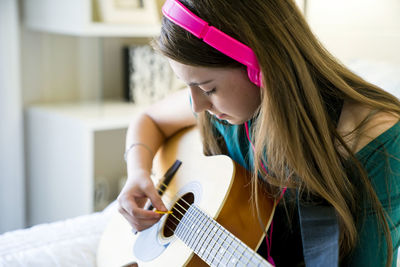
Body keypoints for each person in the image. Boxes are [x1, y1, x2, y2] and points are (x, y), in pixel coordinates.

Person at [117, 0, 400, 266]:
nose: (197, 105)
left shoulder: (377, 140)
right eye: (188, 86)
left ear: (261, 68)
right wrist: (137, 172)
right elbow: (149, 118)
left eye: (207, 89)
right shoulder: (228, 109)